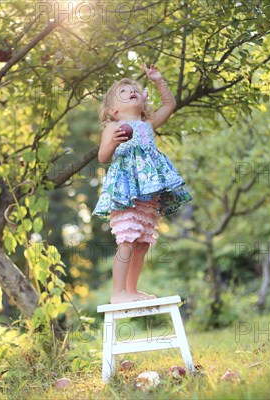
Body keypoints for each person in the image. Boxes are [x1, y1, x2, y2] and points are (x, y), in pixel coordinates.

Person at [92, 63, 192, 304]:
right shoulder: (113, 128)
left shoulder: (148, 124)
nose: (130, 92)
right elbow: (102, 157)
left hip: (149, 193)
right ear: (113, 111)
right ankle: (118, 293)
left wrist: (158, 80)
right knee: (126, 238)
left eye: (133, 89)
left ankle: (131, 290)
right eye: (123, 93)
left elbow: (170, 104)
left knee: (143, 242)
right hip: (126, 191)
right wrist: (113, 142)